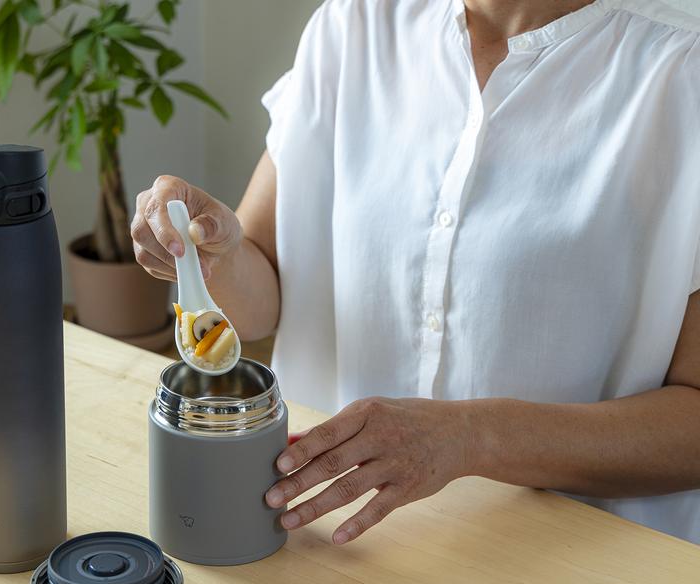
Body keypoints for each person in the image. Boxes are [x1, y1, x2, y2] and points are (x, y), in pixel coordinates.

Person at [129, 0, 700, 544]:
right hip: (328, 537)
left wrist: (472, 436)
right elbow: (262, 291)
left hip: (582, 568)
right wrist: (214, 258)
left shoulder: (683, 68)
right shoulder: (354, 25)